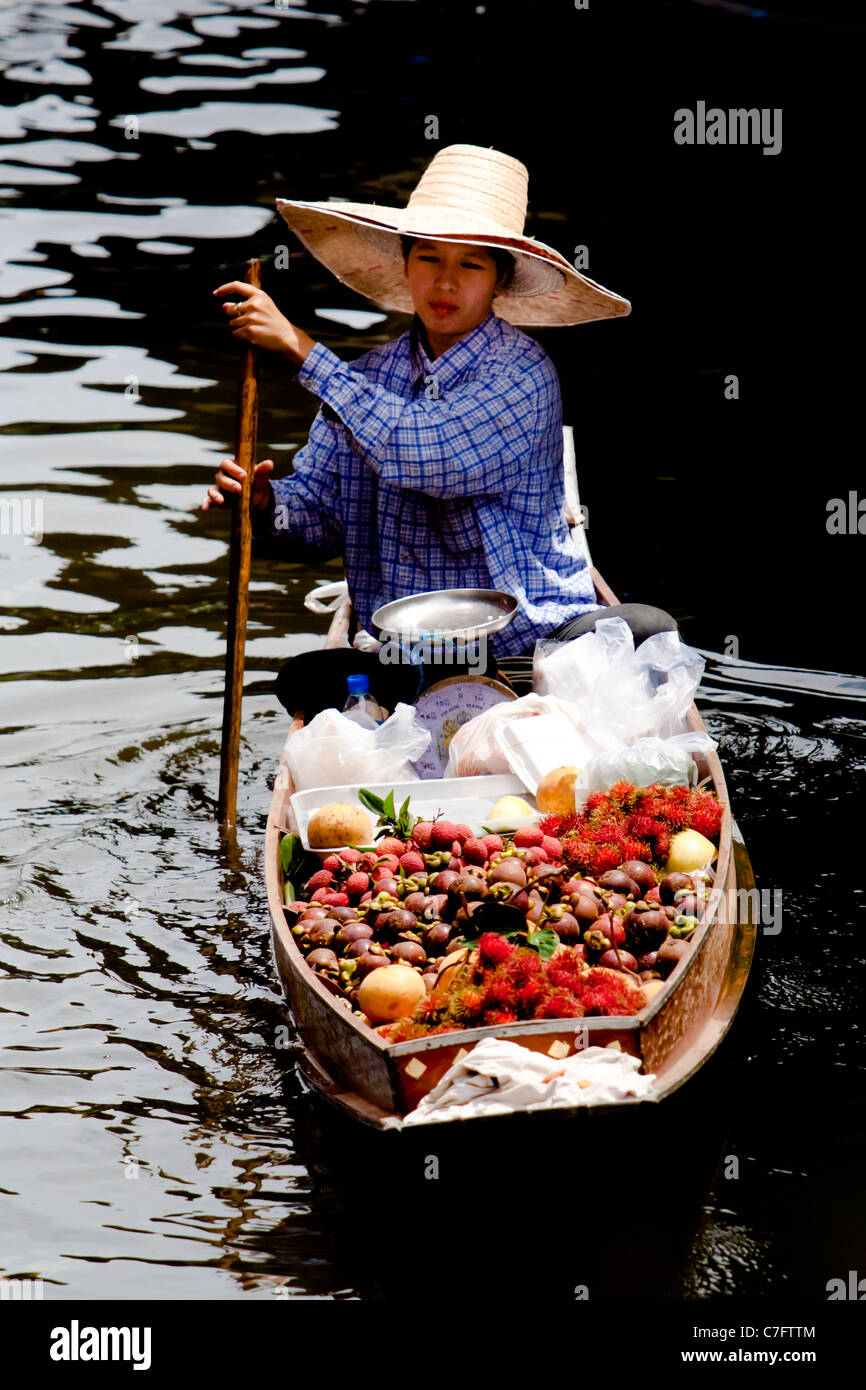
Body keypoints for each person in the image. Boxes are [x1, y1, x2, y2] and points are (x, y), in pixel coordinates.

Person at [202, 144, 676, 706]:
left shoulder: (523, 374)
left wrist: (301, 348)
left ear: (499, 279)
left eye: (469, 265)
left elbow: (430, 457)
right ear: (405, 265)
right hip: (403, 654)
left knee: (646, 627)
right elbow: (319, 519)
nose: (445, 283)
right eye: (428, 258)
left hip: (526, 649)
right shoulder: (364, 379)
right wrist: (263, 507)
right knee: (304, 682)